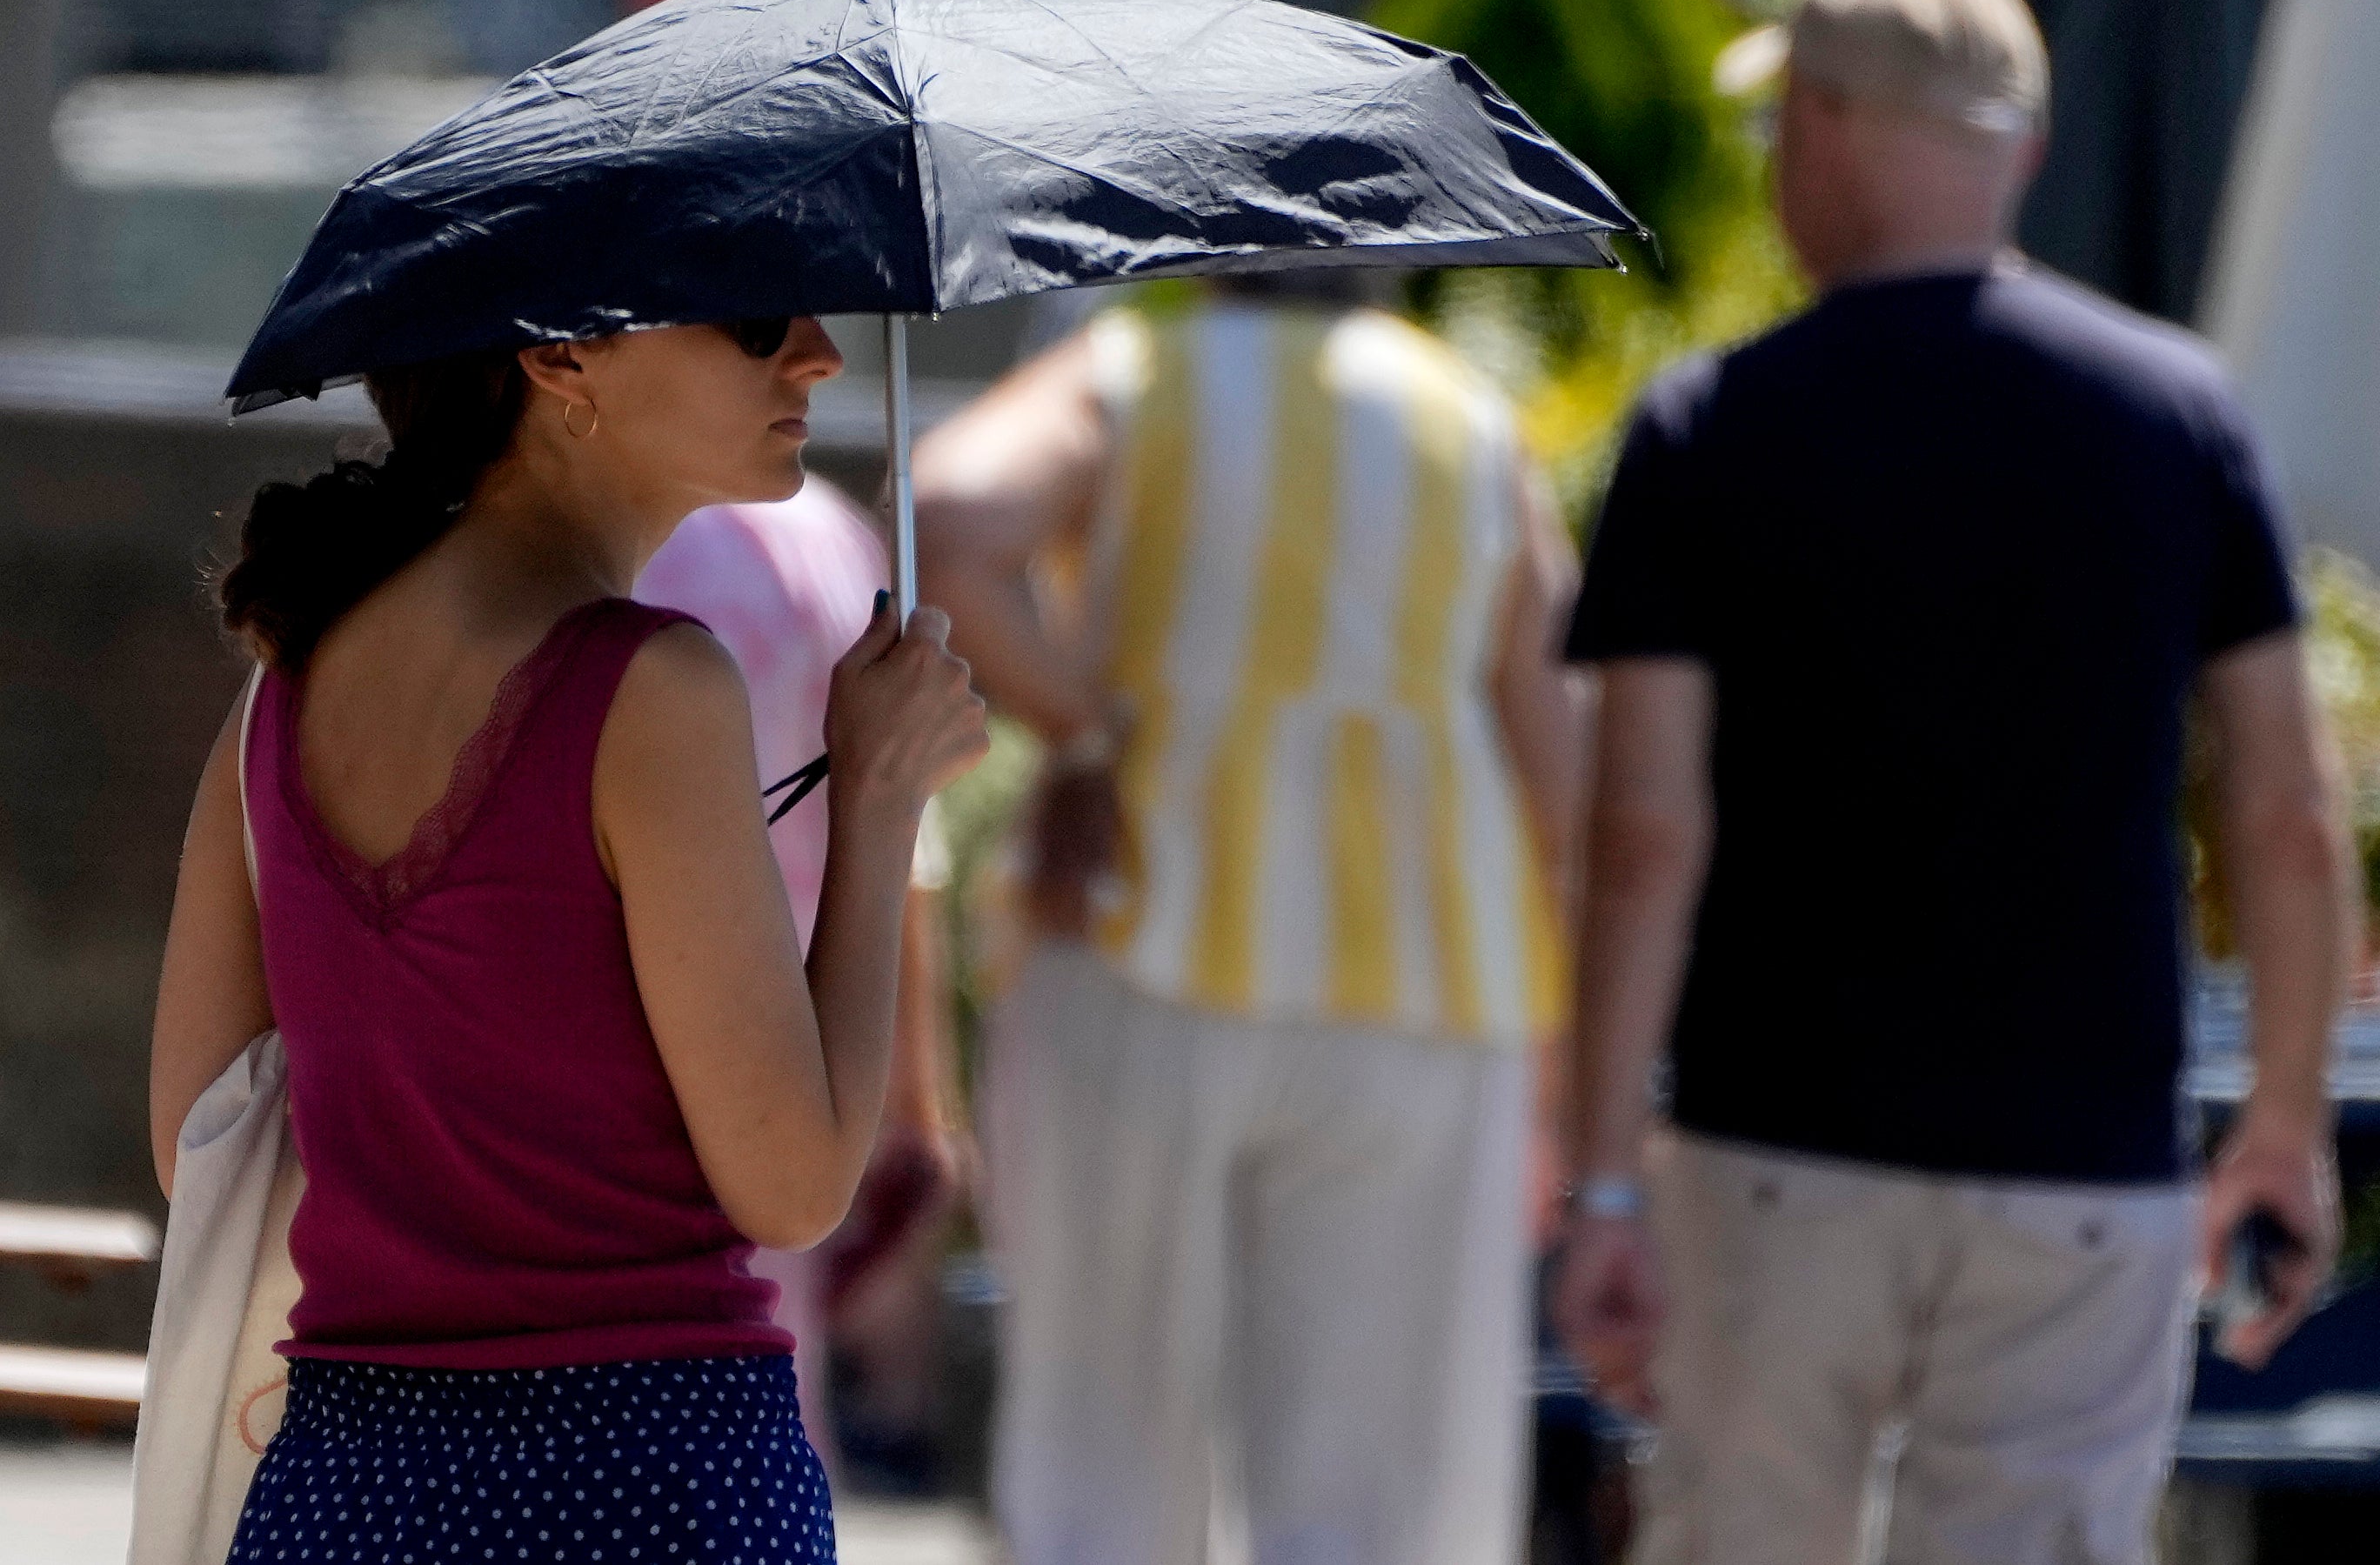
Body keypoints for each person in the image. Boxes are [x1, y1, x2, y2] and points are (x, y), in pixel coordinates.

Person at [1554, 0, 2358, 1565]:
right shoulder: (2182, 415)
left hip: (1775, 1148)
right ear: (2027, 150)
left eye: (1783, 121)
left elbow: (1646, 835)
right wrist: (2285, 1118)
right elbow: (2284, 808)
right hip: (2085, 1166)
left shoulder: (1712, 428)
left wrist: (1603, 1185)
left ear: (1830, 122)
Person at [150, 314, 989, 1561]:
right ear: (561, 359)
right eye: (756, 319)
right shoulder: (653, 686)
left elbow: (197, 1139)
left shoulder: (284, 688)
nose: (817, 353)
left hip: (340, 1480)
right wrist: (874, 802)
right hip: (644, 1470)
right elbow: (797, 1180)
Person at [915, 278, 1587, 1565]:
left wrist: (1089, 722)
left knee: (1103, 1443)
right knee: (1387, 1480)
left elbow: (952, 515)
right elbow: (1555, 759)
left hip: (1135, 928)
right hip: (1427, 967)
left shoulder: (1134, 367)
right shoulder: (1468, 413)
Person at [634, 472, 966, 1468]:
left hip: (645, 1025)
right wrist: (917, 1098)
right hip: (809, 1026)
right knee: (767, 1382)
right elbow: (910, 843)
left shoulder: (624, 545)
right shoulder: (834, 535)